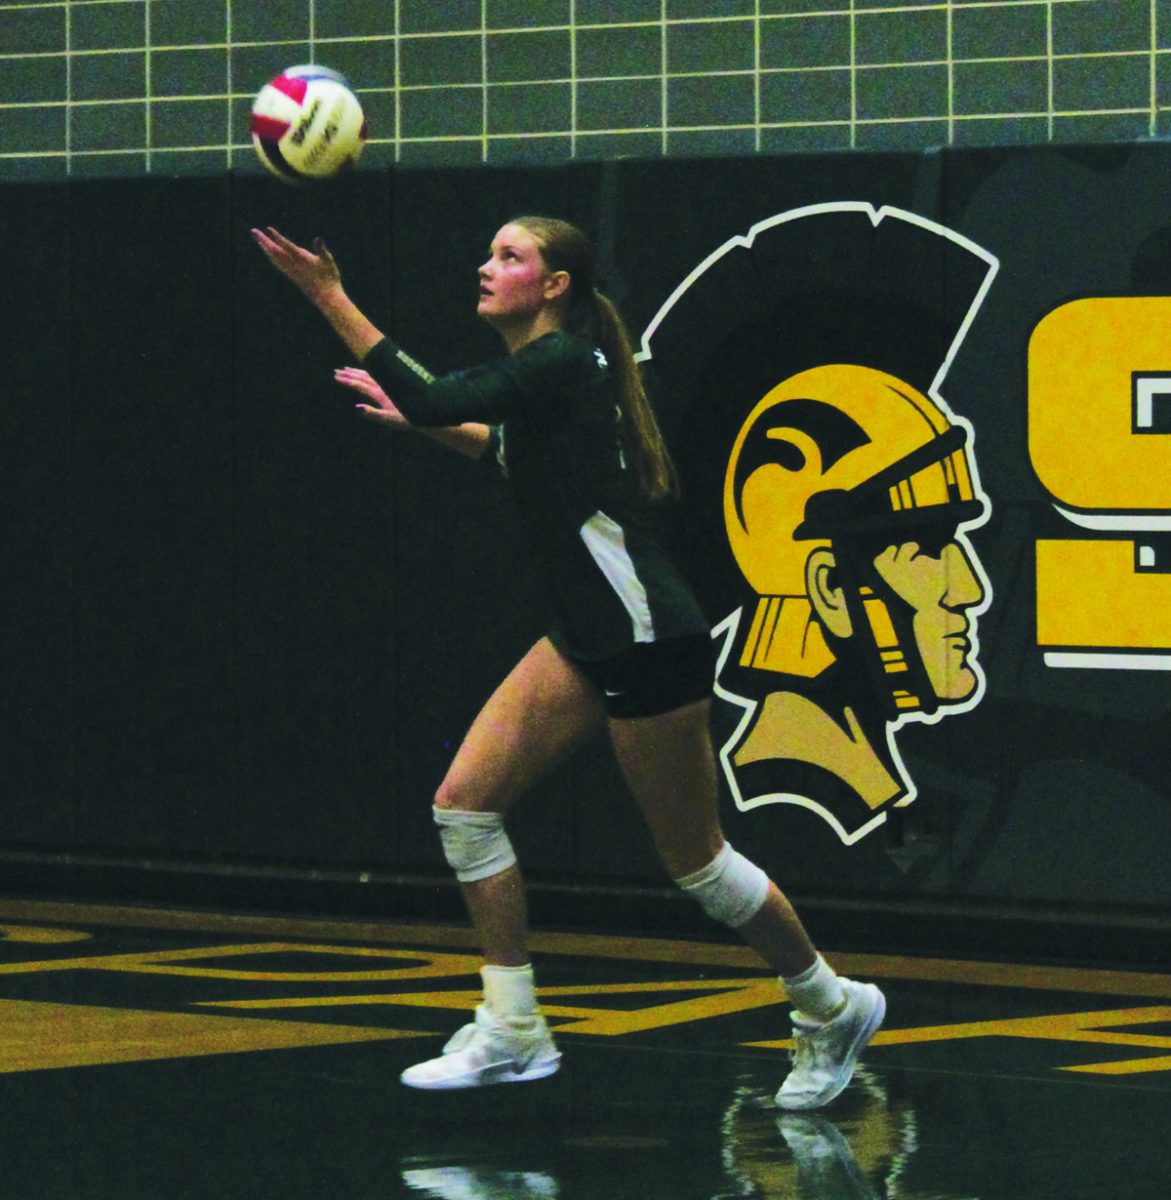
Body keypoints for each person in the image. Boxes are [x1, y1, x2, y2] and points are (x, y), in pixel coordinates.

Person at [250, 216, 885, 1107]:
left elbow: (442, 397)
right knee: (465, 808)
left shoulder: (562, 361)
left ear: (554, 286)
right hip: (586, 635)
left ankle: (829, 1002)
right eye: (489, 249)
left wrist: (329, 296)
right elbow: (495, 444)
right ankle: (512, 1026)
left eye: (508, 256)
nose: (485, 264)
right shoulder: (555, 380)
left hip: (643, 639)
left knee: (698, 865)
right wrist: (423, 421)